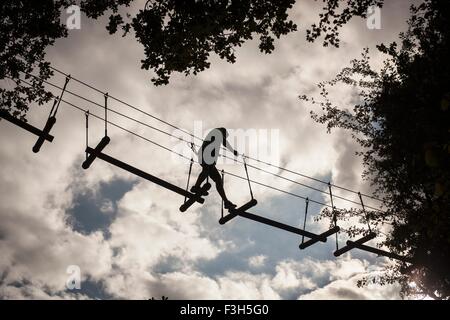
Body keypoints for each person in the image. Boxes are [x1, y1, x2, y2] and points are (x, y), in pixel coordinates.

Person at [191, 127, 238, 209]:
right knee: (206, 169)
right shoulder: (217, 131)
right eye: (225, 136)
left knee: (218, 180)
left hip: (207, 158)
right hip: (205, 155)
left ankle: (226, 202)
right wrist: (233, 151)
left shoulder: (215, 137)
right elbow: (224, 142)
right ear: (223, 132)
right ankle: (196, 187)